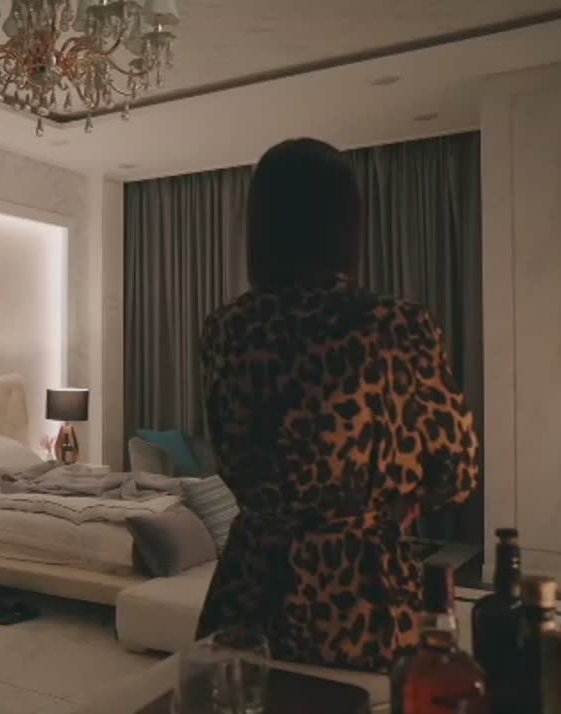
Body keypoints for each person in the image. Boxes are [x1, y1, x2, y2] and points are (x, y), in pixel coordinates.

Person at [195, 138, 480, 672]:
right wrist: (394, 504)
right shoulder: (394, 324)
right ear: (346, 222)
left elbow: (228, 447)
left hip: (251, 581)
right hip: (358, 592)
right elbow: (456, 469)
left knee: (241, 698)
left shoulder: (225, 328)